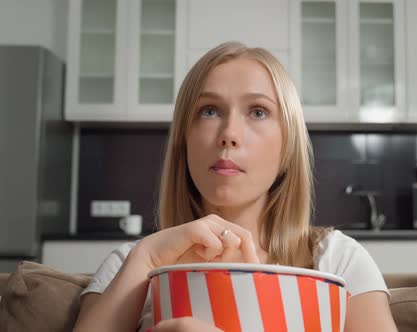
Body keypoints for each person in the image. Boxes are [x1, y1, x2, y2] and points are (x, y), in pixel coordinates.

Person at [73, 41, 398, 332]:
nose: (229, 133)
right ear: (184, 142)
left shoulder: (339, 261)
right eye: (209, 111)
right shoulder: (128, 265)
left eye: (258, 112)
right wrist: (145, 258)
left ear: (288, 147)